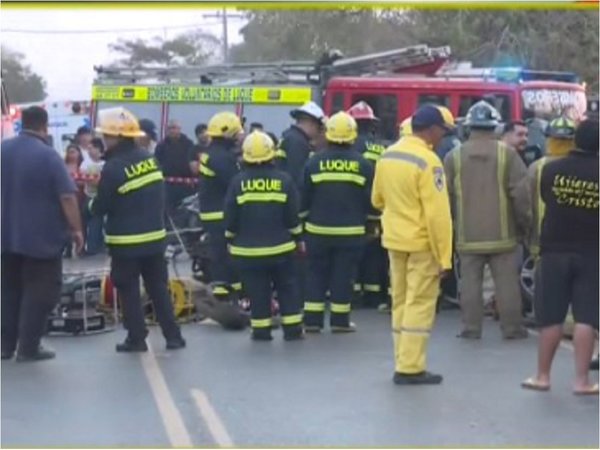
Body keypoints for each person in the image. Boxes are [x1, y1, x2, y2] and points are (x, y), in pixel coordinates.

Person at [89, 107, 185, 352]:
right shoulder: (148, 158)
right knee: (158, 288)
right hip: (155, 237)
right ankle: (173, 336)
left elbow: (101, 206)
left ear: (118, 137)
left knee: (129, 290)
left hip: (126, 242)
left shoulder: (113, 168)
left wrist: (90, 201)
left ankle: (136, 338)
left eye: (107, 136)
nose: (105, 140)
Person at [372, 105, 454, 385]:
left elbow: (377, 200)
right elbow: (438, 215)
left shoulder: (388, 155)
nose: (443, 136)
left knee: (400, 301)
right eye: (443, 131)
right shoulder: (428, 161)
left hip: (394, 241)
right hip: (421, 244)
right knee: (419, 304)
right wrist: (444, 258)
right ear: (431, 130)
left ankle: (402, 358)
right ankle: (410, 367)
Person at [522, 118, 599, 395]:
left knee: (551, 317)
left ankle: (542, 376)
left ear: (575, 140)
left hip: (554, 250)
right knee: (586, 317)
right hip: (592, 253)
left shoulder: (552, 170)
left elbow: (546, 198)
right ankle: (581, 381)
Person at [1, 106, 84, 361]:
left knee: (9, 291)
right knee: (40, 293)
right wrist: (77, 229)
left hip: (6, 237)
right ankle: (29, 347)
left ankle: (4, 346)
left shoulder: (2, 151)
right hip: (41, 239)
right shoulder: (49, 156)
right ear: (44, 127)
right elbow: (67, 196)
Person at [444, 101, 531, 340]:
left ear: (469, 126)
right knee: (507, 284)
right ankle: (512, 328)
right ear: (495, 127)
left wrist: (453, 223)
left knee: (470, 282)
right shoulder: (508, 155)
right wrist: (525, 224)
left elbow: (446, 196)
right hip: (503, 235)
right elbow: (521, 195)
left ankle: (471, 328)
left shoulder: (454, 157)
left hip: (467, 234)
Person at [224, 131, 304, 341]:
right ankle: (293, 329)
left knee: (257, 291)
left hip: (247, 251)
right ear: (272, 155)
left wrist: (229, 239)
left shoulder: (237, 182)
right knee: (287, 288)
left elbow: (231, 216)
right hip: (281, 249)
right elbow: (292, 216)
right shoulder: (284, 180)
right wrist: (298, 239)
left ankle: (261, 330)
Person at [301, 111, 373, 333]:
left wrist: (301, 227)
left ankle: (312, 321)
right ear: (353, 135)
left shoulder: (314, 163)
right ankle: (340, 321)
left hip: (317, 231)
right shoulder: (363, 164)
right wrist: (371, 225)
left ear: (328, 134)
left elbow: (304, 198)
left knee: (315, 274)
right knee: (343, 276)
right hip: (350, 233)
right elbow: (369, 201)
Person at [347, 101, 389, 310]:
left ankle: (355, 293)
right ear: (371, 124)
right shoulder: (381, 146)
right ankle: (374, 295)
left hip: (355, 209)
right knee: (375, 254)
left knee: (354, 254)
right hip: (379, 209)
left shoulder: (351, 146)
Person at [198, 112, 244, 301]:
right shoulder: (222, 158)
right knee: (227, 256)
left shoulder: (213, 153)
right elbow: (235, 184)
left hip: (212, 212)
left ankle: (225, 292)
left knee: (220, 254)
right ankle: (229, 294)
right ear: (229, 135)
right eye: (237, 134)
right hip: (221, 214)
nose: (240, 137)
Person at [527, 117, 577, 259]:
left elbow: (526, 204)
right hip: (576, 242)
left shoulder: (536, 167)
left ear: (548, 139)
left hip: (543, 239)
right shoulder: (583, 166)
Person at [275, 101, 326, 190]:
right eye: (319, 127)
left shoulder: (289, 136)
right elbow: (297, 176)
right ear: (311, 123)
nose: (319, 132)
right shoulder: (298, 142)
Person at [154, 120, 195, 213]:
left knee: (186, 209)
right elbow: (156, 162)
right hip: (168, 185)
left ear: (179, 129)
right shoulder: (161, 146)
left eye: (174, 128)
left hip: (187, 184)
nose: (172, 131)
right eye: (170, 128)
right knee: (168, 208)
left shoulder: (188, 144)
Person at [80, 138, 106, 255]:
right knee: (88, 222)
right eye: (88, 149)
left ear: (98, 149)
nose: (89, 151)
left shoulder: (105, 163)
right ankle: (86, 247)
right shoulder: (85, 164)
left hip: (101, 197)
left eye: (92, 148)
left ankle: (95, 247)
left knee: (97, 223)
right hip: (88, 197)